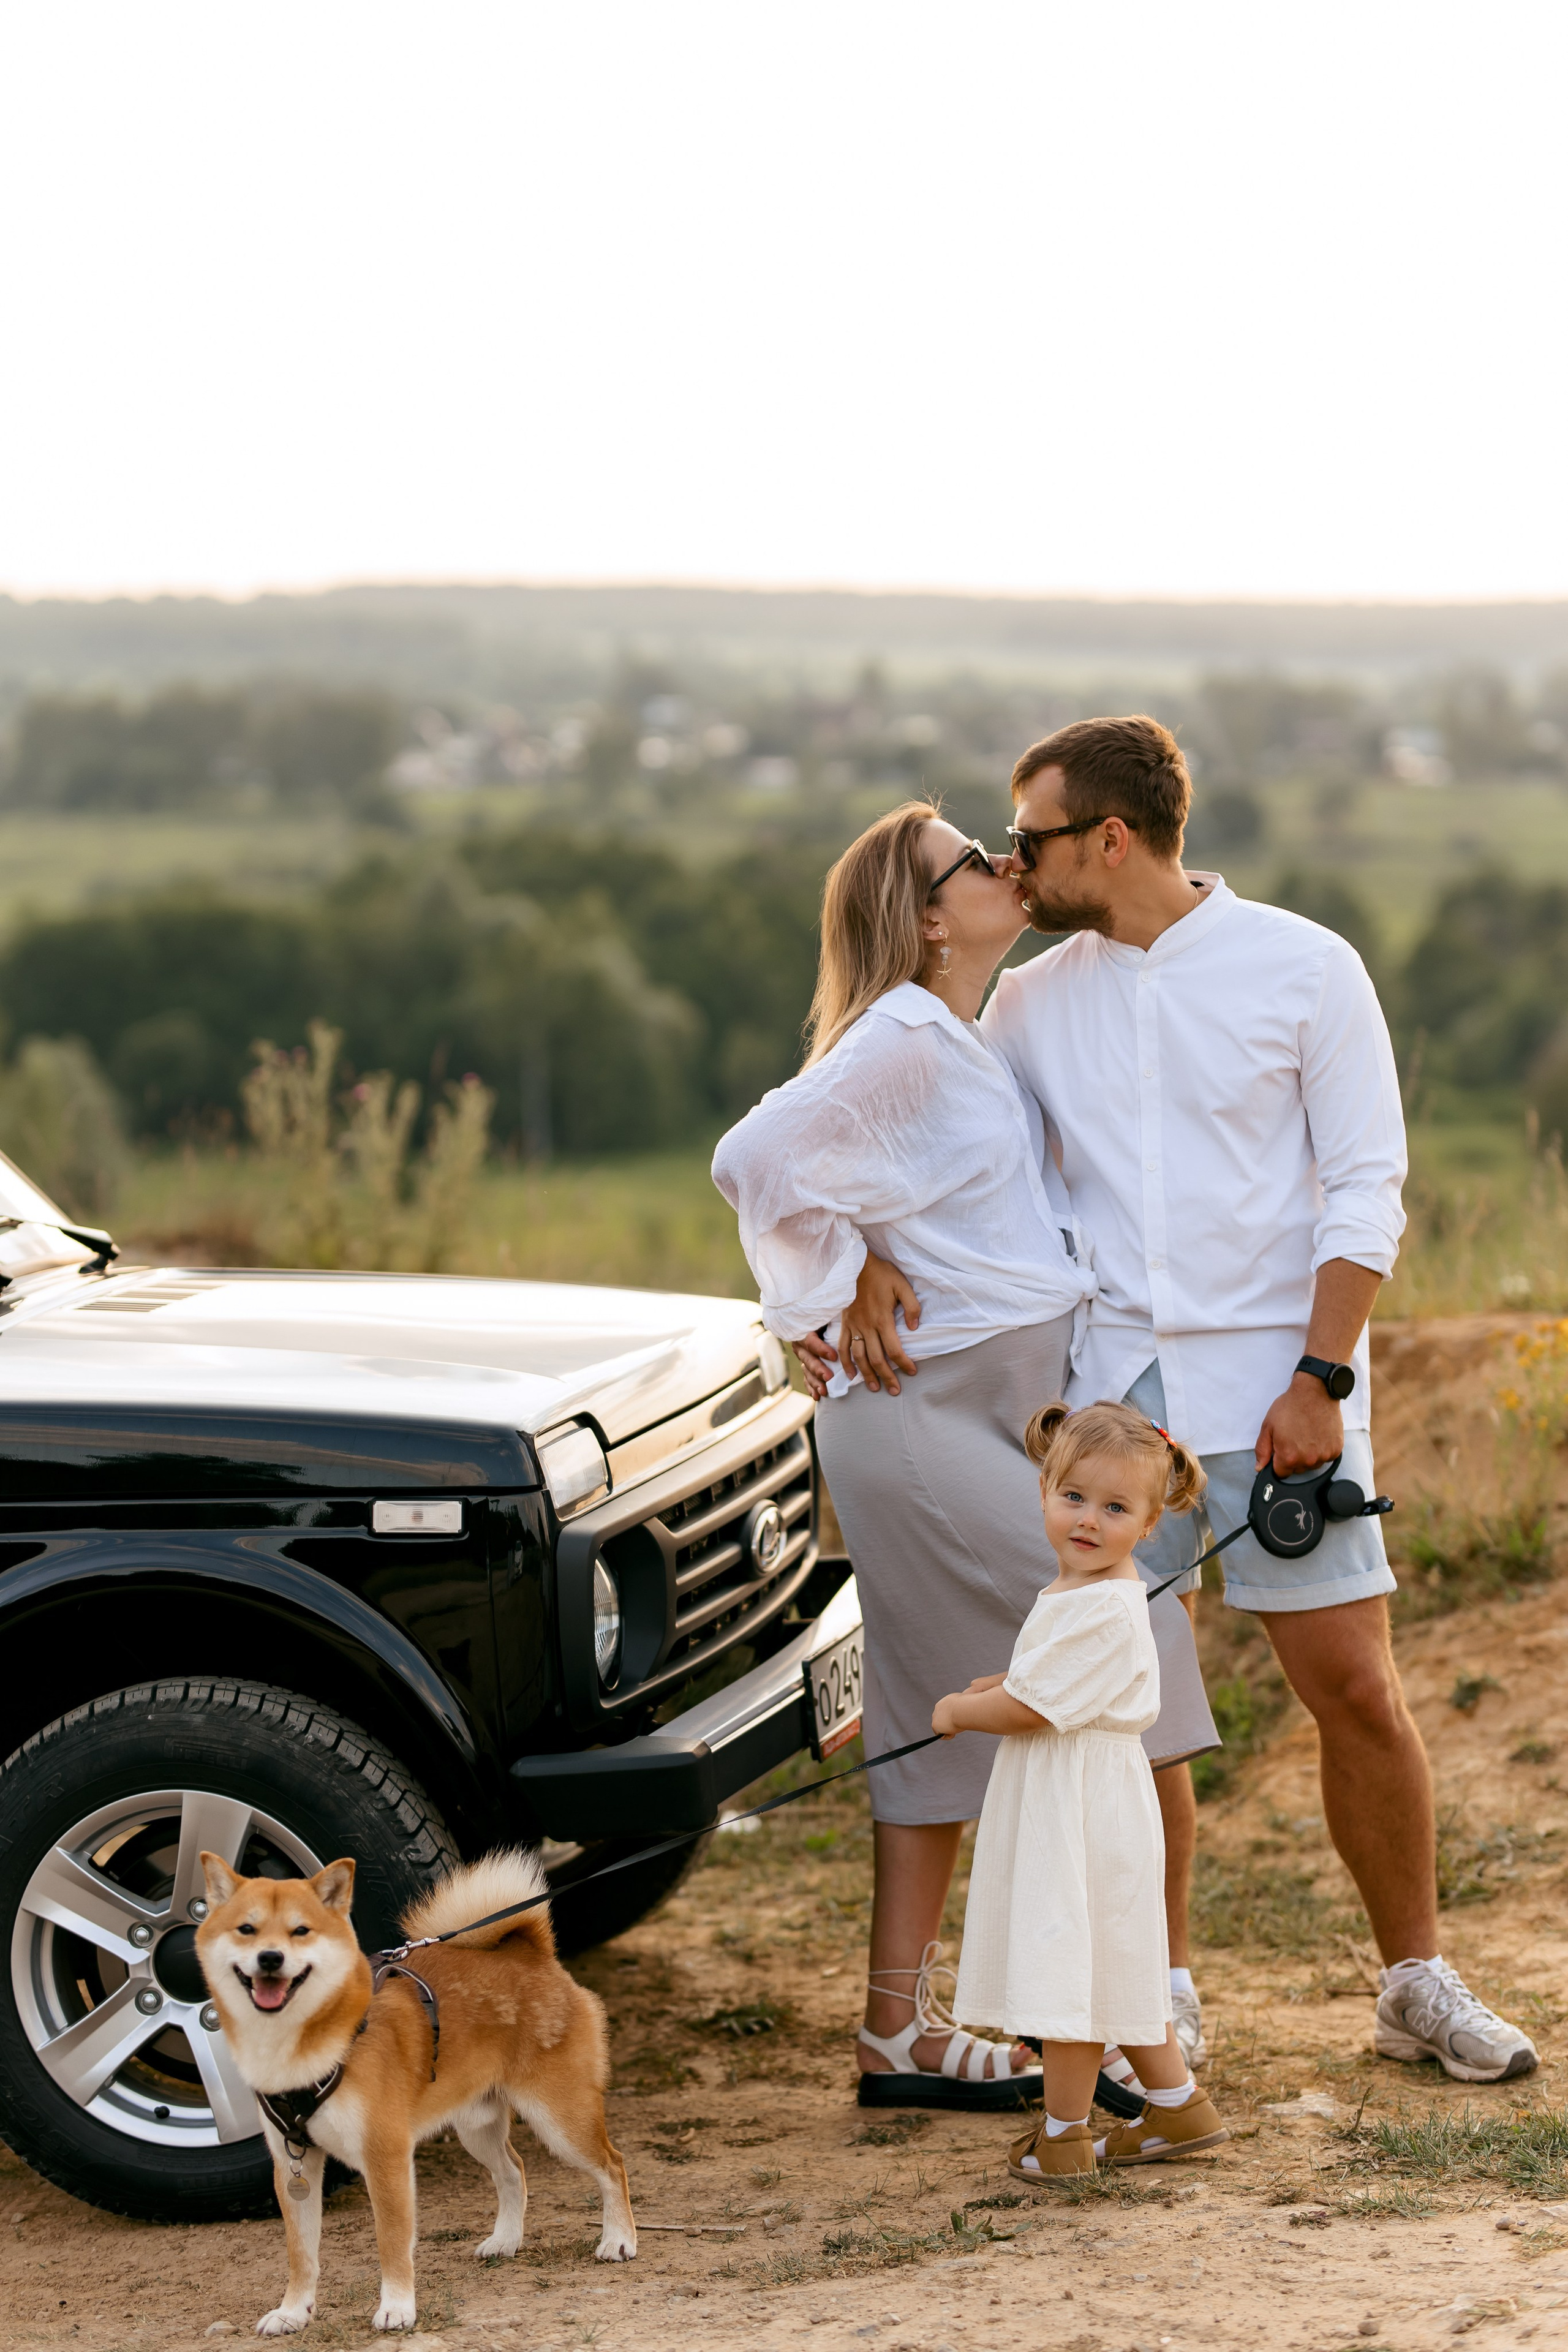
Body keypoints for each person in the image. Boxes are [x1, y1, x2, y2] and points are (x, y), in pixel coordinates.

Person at [825, 713, 1538, 2084]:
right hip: (1104, 1402)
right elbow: (896, 1118)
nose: (1008, 864)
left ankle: (1413, 1980)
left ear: (1107, 838)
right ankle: (1156, 1990)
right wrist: (851, 1253)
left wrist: (1321, 1378)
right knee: (1129, 1704)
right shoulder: (1029, 1000)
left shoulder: (1303, 969)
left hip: (1280, 1388)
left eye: (1026, 837)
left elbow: (1362, 1188)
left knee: (1352, 1687)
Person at [712, 800, 1216, 2109]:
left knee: (938, 1720)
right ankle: (1122, 2020)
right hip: (920, 1424)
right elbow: (753, 1156)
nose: (1002, 863)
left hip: (980, 1407)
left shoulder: (955, 1034)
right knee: (1128, 1636)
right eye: (967, 861)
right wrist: (820, 1298)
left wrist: (869, 1243)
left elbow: (891, 1178)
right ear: (927, 916)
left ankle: (900, 2038)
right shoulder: (901, 1038)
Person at [935, 1400, 1229, 2179]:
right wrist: (1005, 1678)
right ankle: (1178, 2109)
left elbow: (1034, 1707)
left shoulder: (1104, 1603)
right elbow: (1047, 1678)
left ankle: (1063, 2139)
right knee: (1107, 1967)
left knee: (1072, 1970)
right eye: (1074, 1498)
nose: (1089, 1521)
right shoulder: (1081, 1592)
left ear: (1149, 1522)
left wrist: (963, 1711)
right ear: (1044, 1492)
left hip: (1083, 1807)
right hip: (1077, 1795)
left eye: (1115, 1508)